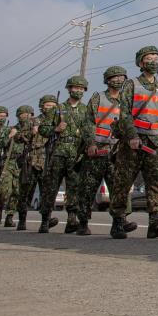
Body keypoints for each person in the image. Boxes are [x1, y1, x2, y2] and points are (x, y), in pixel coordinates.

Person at [108, 46, 158, 240]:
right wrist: (132, 136)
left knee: (156, 182)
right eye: (148, 58)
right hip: (133, 140)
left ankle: (155, 223)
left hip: (153, 141)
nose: (153, 61)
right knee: (123, 181)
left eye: (156, 58)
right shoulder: (131, 84)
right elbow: (125, 113)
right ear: (141, 63)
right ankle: (118, 222)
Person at [77, 66, 127, 236]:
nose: (118, 80)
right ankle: (83, 222)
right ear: (107, 80)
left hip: (117, 151)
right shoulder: (98, 97)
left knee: (118, 189)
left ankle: (118, 224)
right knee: (88, 188)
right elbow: (89, 122)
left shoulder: (127, 100)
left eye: (121, 77)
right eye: (114, 77)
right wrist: (90, 143)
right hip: (97, 149)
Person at [37, 76, 90, 233]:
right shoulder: (58, 109)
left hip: (76, 153)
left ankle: (71, 220)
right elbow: (42, 129)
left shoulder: (85, 110)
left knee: (74, 187)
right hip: (59, 152)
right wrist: (55, 129)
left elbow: (89, 129)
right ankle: (45, 220)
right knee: (51, 186)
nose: (78, 91)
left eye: (81, 89)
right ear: (69, 89)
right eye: (75, 88)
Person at [16, 95, 59, 231]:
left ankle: (45, 221)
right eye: (47, 105)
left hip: (47, 161)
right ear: (42, 106)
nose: (50, 108)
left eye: (53, 105)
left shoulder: (58, 121)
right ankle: (22, 220)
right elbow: (17, 136)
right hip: (31, 161)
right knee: (25, 192)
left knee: (47, 193)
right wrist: (30, 133)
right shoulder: (32, 121)